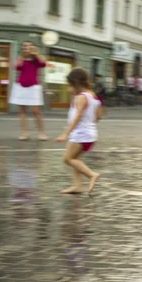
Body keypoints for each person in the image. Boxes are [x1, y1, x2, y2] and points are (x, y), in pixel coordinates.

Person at [55, 67, 101, 195]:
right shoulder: (92, 95)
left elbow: (78, 116)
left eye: (69, 86)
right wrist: (90, 125)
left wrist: (66, 133)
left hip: (81, 135)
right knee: (75, 159)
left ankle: (91, 175)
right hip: (90, 134)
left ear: (76, 84)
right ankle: (78, 185)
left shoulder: (80, 97)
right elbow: (98, 115)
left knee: (67, 158)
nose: (68, 89)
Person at [9, 41, 47, 141]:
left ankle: (41, 132)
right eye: (24, 46)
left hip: (34, 87)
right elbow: (17, 67)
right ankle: (24, 133)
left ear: (33, 47)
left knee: (36, 111)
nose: (26, 48)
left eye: (29, 46)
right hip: (20, 87)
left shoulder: (36, 59)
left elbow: (43, 64)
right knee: (22, 111)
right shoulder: (20, 58)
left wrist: (36, 54)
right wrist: (22, 56)